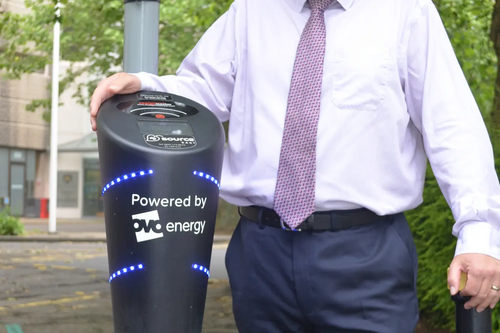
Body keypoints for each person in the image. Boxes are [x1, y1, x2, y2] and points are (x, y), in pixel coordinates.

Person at [90, 0, 500, 331]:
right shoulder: (251, 11)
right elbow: (200, 91)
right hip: (260, 254)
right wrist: (146, 86)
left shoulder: (407, 12)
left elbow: (453, 128)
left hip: (364, 255)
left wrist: (479, 233)